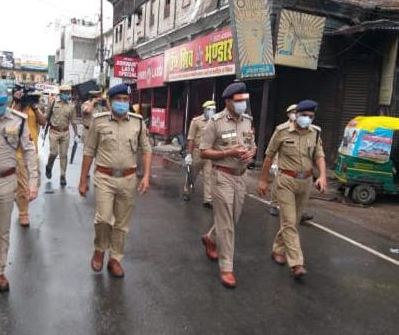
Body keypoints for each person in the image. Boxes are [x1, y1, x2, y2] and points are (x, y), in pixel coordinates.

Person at [78, 84, 152, 278]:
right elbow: (88, 151)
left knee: (121, 223)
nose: (122, 103)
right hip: (104, 177)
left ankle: (115, 259)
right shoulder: (99, 121)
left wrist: (145, 176)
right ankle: (100, 248)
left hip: (128, 179)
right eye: (118, 99)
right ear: (110, 102)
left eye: (126, 99)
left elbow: (146, 149)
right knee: (103, 219)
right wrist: (82, 181)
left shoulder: (138, 122)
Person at [257, 100, 327, 279]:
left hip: (306, 181)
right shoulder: (281, 131)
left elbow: (319, 156)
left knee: (293, 221)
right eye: (304, 115)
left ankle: (278, 249)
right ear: (296, 115)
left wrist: (323, 176)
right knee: (289, 221)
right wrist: (263, 180)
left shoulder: (315, 133)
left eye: (311, 117)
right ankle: (296, 263)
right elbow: (269, 155)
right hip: (286, 180)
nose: (307, 119)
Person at [200, 82, 256, 288]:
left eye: (244, 100)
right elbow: (203, 151)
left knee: (233, 218)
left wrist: (252, 152)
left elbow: (251, 143)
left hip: (241, 175)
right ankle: (227, 268)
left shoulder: (247, 121)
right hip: (222, 175)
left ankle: (210, 237)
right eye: (238, 100)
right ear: (228, 101)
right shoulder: (215, 122)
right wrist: (227, 153)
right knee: (226, 224)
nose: (243, 104)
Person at [0, 83, 38, 292]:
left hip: (6, 181)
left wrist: (33, 182)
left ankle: (0, 271)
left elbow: (30, 151)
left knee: (2, 230)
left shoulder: (18, 121)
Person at [15, 90, 46, 227]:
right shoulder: (15, 106)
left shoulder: (35, 109)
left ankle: (22, 201)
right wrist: (19, 104)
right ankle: (24, 213)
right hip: (17, 152)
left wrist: (35, 107)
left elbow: (43, 122)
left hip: (32, 151)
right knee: (22, 185)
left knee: (34, 183)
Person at [183, 100, 216, 207]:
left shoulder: (215, 122)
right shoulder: (196, 121)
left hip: (209, 152)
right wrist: (189, 154)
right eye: (210, 110)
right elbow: (191, 138)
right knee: (192, 174)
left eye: (213, 110)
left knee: (208, 176)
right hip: (197, 152)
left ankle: (208, 199)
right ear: (205, 110)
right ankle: (187, 191)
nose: (212, 112)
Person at [45, 85, 78, 186]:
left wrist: (76, 134)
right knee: (54, 153)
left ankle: (63, 176)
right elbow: (47, 116)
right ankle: (49, 166)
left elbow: (73, 121)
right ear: (61, 92)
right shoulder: (53, 102)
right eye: (65, 92)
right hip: (54, 132)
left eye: (68, 93)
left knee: (64, 155)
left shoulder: (71, 106)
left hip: (65, 133)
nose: (67, 95)